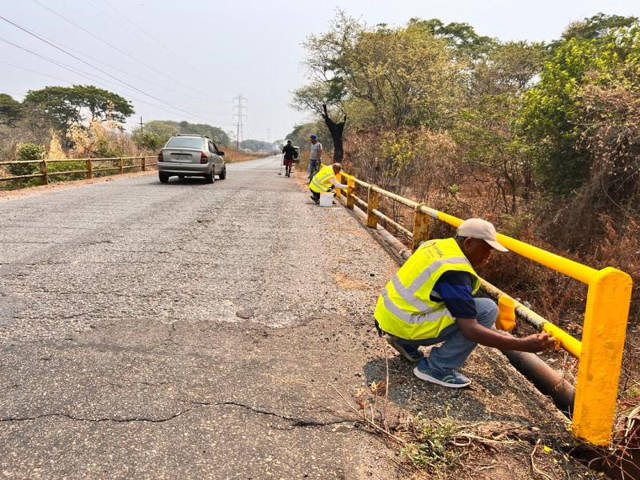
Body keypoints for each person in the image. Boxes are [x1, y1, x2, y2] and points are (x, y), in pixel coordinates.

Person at [374, 218, 556, 388]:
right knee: (486, 309)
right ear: (469, 243)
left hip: (388, 318)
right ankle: (436, 368)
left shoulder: (437, 245)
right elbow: (470, 329)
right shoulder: (455, 271)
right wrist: (522, 344)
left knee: (471, 309)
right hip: (406, 325)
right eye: (487, 249)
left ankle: (405, 344)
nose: (489, 256)